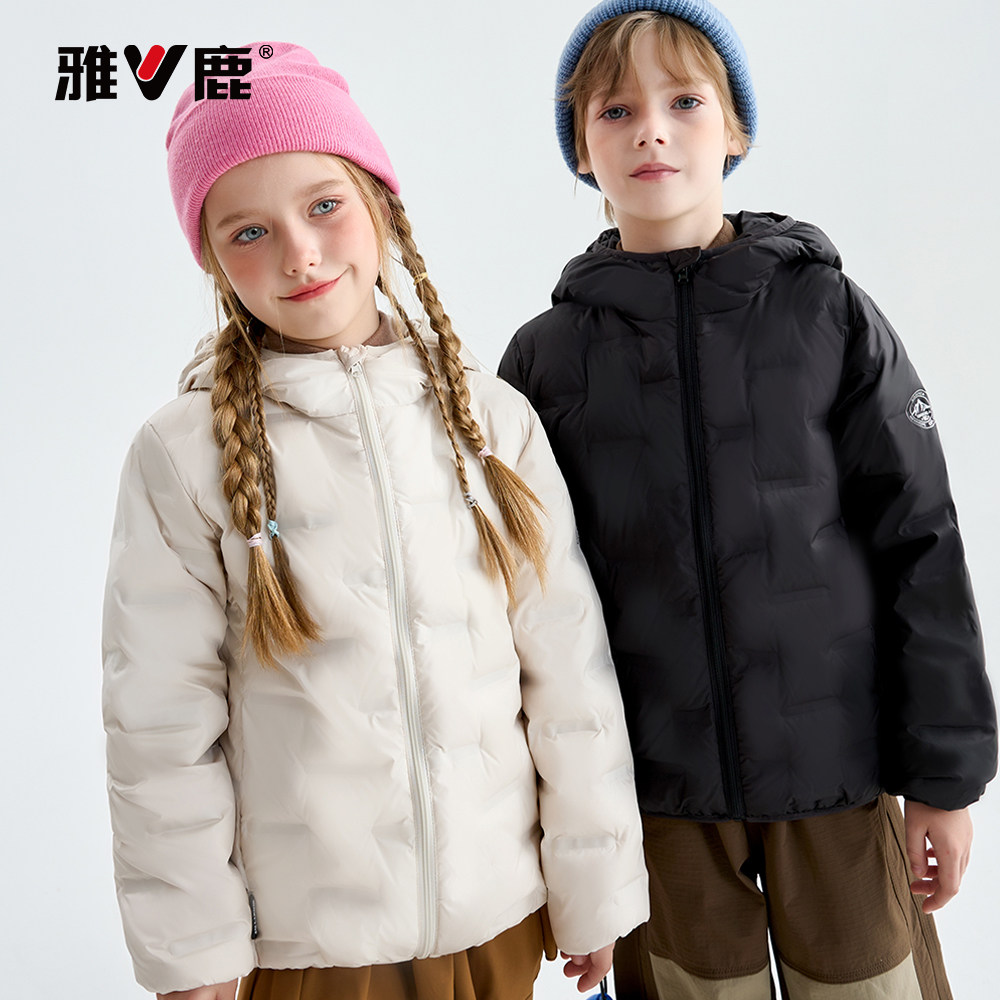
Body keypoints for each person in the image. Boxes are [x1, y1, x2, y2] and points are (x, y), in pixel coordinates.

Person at [102, 42, 649, 1000]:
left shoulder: (491, 421)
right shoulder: (181, 456)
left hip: (497, 925)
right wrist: (194, 950)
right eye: (249, 232)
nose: (299, 253)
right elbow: (159, 726)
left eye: (324, 206)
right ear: (214, 261)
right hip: (311, 954)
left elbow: (568, 666)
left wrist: (594, 886)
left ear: (382, 205)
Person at [498, 2, 997, 997]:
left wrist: (942, 778)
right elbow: (524, 607)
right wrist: (570, 849)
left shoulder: (827, 312)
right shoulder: (546, 359)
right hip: (656, 800)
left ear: (733, 130)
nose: (651, 130)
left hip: (838, 776)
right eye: (615, 110)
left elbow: (919, 539)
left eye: (684, 101)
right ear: (581, 150)